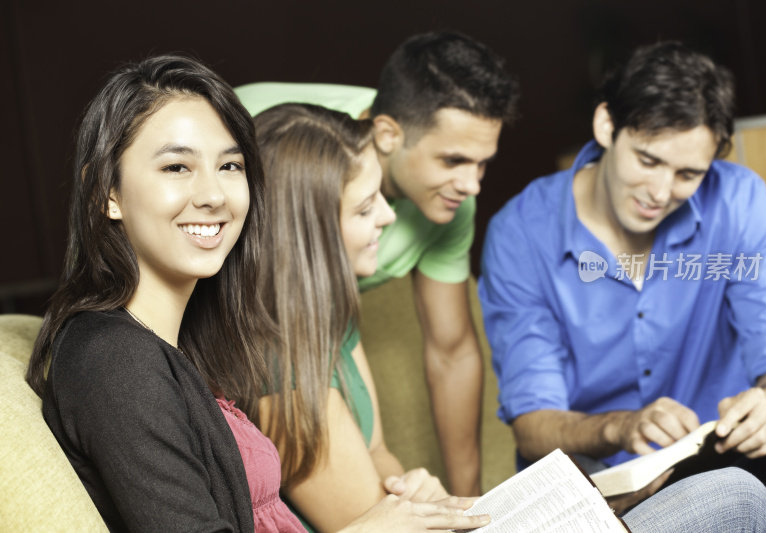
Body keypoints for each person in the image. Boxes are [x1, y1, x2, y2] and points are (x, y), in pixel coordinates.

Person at [254, 103, 766, 533]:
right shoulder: (283, 371)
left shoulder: (328, 322)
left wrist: (418, 491)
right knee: (734, 499)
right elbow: (370, 522)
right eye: (366, 205)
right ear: (313, 230)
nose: (391, 216)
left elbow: (376, 460)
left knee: (733, 484)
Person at [25, 54, 491, 533]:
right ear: (107, 192)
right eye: (176, 167)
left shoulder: (192, 341)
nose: (214, 194)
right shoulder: (111, 357)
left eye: (229, 165)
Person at [479, 41, 766, 520]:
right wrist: (622, 427)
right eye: (648, 161)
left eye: (688, 174)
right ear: (606, 125)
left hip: (726, 451)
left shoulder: (736, 200)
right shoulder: (520, 232)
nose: (660, 192)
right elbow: (533, 423)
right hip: (603, 472)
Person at [236, 31, 521, 496]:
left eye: (482, 164)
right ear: (388, 134)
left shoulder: (449, 204)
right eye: (453, 160)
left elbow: (451, 353)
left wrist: (469, 509)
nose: (473, 186)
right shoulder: (261, 132)